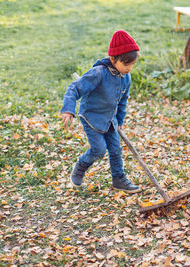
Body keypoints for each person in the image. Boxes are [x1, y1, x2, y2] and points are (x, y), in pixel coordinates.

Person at [60, 30, 141, 193]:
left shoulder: (126, 77)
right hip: (92, 117)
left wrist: (120, 121)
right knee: (99, 150)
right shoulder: (98, 73)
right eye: (126, 64)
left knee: (116, 149)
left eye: (132, 64)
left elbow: (122, 101)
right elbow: (74, 88)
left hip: (110, 120)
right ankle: (80, 166)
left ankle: (118, 179)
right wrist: (69, 109)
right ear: (113, 59)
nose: (130, 68)